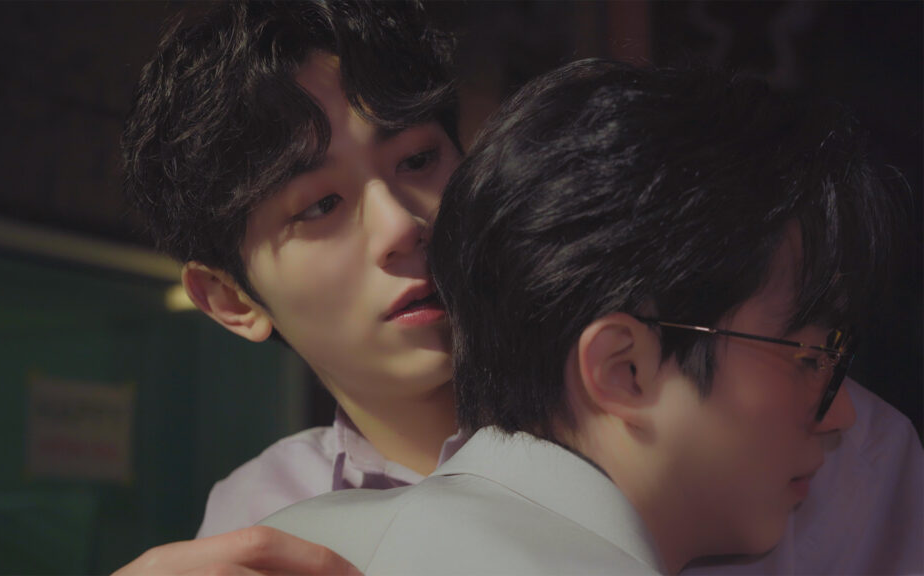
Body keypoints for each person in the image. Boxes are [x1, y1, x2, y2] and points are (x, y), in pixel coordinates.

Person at [115, 2, 922, 574]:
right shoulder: (255, 519)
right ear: (229, 300)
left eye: (419, 159)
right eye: (319, 206)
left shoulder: (827, 441)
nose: (402, 224)